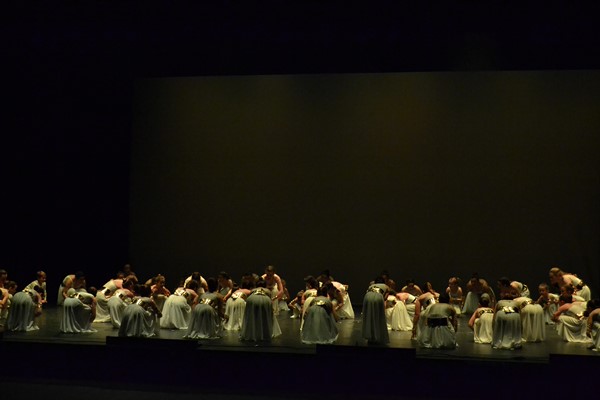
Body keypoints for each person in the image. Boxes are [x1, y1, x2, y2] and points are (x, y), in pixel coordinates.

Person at [362, 277, 389, 345]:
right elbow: (385, 297)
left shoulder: (371, 286)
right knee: (378, 316)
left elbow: (367, 291)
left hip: (367, 297)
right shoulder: (386, 286)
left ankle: (370, 335)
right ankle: (378, 335)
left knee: (369, 315)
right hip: (378, 297)